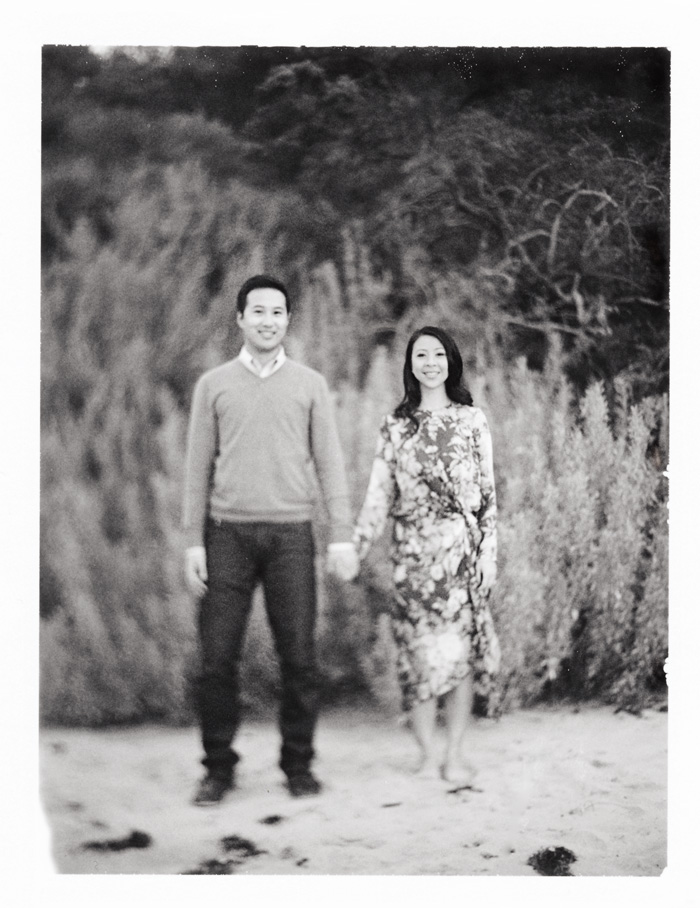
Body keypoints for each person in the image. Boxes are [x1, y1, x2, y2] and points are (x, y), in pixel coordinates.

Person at [183, 274, 358, 806]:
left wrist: (342, 536)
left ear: (287, 320)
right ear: (240, 319)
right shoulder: (213, 385)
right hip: (226, 537)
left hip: (291, 537)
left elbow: (329, 462)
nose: (267, 320)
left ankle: (298, 767)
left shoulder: (309, 384)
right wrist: (193, 541)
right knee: (215, 660)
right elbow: (197, 467)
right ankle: (218, 769)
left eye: (277, 312)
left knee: (300, 659)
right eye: (257, 311)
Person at [349, 326, 500, 784]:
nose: (430, 362)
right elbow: (378, 495)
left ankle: (454, 754)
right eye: (421, 355)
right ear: (410, 364)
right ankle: (426, 753)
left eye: (438, 354)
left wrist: (488, 555)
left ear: (450, 361)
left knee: (457, 660)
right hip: (412, 558)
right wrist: (355, 547)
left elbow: (488, 496)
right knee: (417, 659)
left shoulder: (472, 420)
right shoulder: (396, 426)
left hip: (460, 558)